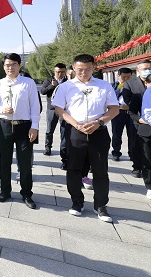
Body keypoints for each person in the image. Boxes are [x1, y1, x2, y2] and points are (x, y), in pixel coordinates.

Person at [52, 54, 119, 222]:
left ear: (93, 68)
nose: (84, 73)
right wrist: (75, 124)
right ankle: (77, 202)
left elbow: (114, 108)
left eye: (88, 69)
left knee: (100, 170)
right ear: (74, 68)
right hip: (76, 132)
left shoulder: (104, 85)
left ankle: (101, 205)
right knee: (74, 168)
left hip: (98, 131)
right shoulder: (66, 87)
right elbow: (59, 109)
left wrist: (99, 122)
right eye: (80, 69)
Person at [0, 53, 40, 209]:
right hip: (5, 125)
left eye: (13, 64)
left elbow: (35, 106)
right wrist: (2, 109)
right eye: (7, 65)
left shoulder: (28, 83)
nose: (10, 68)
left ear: (19, 65)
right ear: (3, 66)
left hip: (24, 126)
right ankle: (5, 191)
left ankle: (26, 193)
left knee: (25, 162)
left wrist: (35, 126)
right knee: (4, 160)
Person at [121, 61, 150, 178]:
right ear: (138, 70)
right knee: (137, 144)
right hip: (138, 119)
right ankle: (137, 167)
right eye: (144, 69)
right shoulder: (130, 83)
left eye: (149, 68)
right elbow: (127, 100)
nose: (147, 71)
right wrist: (140, 117)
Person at [40, 63, 68, 158]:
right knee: (49, 129)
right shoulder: (48, 80)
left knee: (64, 130)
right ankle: (48, 147)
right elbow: (43, 91)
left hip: (64, 109)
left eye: (62, 72)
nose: (60, 74)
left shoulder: (68, 81)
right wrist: (51, 86)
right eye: (58, 72)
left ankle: (64, 149)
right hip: (52, 109)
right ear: (54, 71)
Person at [111, 68, 136, 163]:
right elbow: (110, 99)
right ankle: (116, 153)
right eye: (123, 77)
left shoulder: (135, 86)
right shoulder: (113, 86)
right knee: (116, 134)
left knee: (132, 134)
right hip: (117, 112)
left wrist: (130, 107)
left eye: (128, 77)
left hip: (130, 112)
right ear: (118, 76)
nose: (126, 79)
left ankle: (132, 153)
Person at [138, 74, 151, 200]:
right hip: (147, 131)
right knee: (148, 160)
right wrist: (139, 119)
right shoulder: (144, 93)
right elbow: (132, 111)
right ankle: (149, 186)